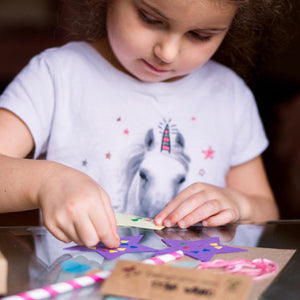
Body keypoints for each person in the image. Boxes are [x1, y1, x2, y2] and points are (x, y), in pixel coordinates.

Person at [0, 0, 290, 248]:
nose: (167, 52)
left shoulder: (230, 94)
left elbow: (265, 209)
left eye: (201, 35)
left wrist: (238, 204)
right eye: (151, 19)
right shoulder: (57, 75)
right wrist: (47, 182)